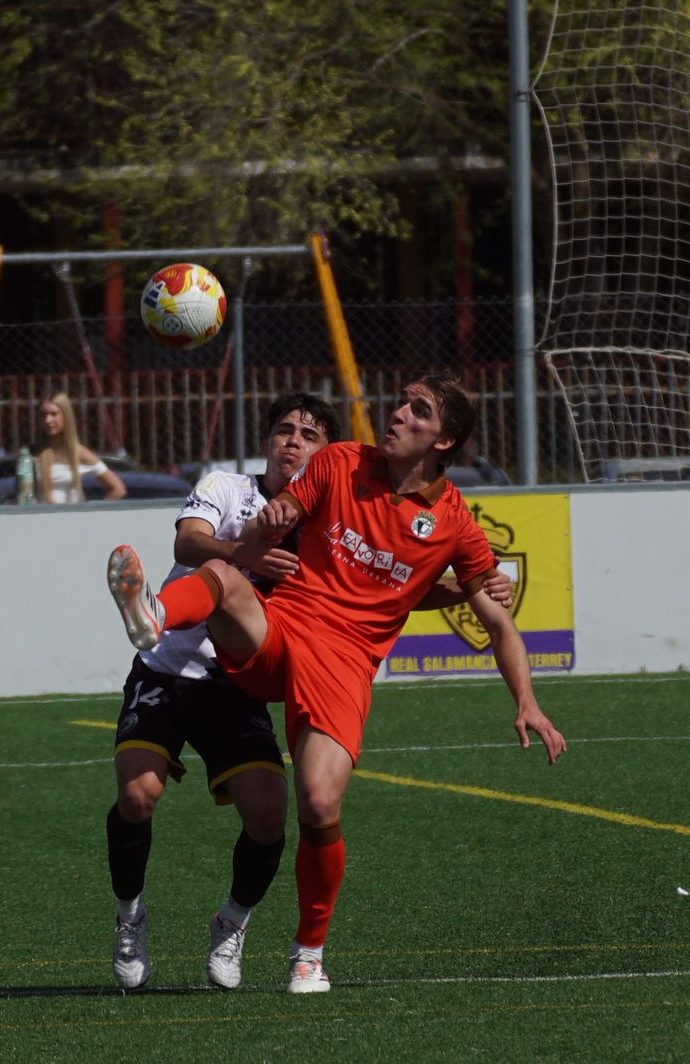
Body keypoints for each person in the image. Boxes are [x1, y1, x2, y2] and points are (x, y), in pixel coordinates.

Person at [106, 373, 565, 995]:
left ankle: (306, 953)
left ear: (445, 438)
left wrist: (528, 701)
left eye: (417, 409)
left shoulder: (455, 523)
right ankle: (156, 615)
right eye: (402, 399)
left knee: (319, 806)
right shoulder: (341, 461)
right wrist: (275, 516)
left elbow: (492, 621)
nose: (397, 411)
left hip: (345, 664)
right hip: (284, 628)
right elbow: (285, 513)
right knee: (224, 571)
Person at [35, 392, 126, 503]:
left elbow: (118, 489)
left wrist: (92, 513)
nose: (47, 420)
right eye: (43, 415)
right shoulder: (34, 452)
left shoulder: (79, 452)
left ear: (66, 416)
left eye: (54, 414)